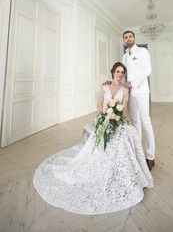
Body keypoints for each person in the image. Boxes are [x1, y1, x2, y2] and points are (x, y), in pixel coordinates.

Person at [33, 62, 153, 215]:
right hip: (103, 117)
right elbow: (99, 104)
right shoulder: (105, 87)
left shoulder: (125, 89)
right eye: (118, 71)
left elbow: (123, 106)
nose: (120, 74)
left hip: (118, 119)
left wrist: (116, 116)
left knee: (127, 133)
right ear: (113, 72)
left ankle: (123, 168)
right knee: (107, 135)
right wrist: (107, 114)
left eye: (122, 72)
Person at [122, 31, 155, 170]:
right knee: (135, 122)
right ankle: (138, 154)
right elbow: (123, 74)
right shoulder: (124, 56)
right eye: (126, 37)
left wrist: (133, 84)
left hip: (141, 91)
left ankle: (150, 156)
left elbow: (147, 70)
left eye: (130, 36)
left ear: (134, 38)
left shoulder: (142, 51)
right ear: (124, 41)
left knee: (145, 121)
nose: (128, 39)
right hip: (131, 93)